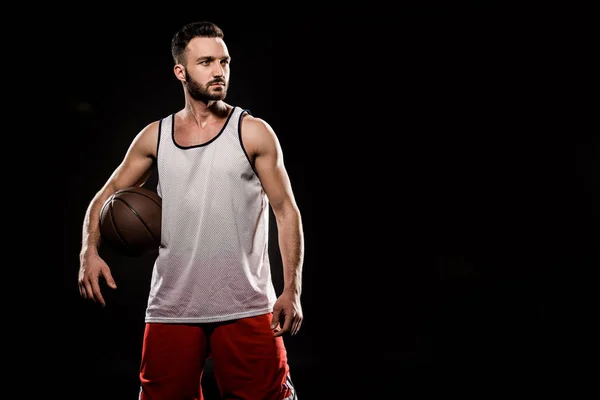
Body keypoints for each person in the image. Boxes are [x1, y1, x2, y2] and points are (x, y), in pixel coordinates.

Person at [77, 20, 304, 400]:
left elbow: (286, 211)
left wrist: (292, 290)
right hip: (173, 306)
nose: (218, 71)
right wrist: (89, 252)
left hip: (246, 303)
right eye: (206, 62)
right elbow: (106, 195)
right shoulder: (155, 137)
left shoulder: (252, 132)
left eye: (224, 61)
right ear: (180, 71)